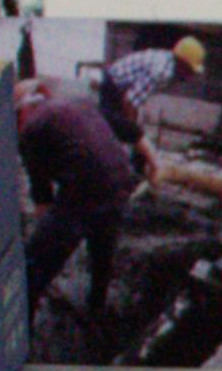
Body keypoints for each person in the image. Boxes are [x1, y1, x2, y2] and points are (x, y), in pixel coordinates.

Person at [13, 73, 139, 344]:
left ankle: (21, 331)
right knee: (102, 250)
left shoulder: (32, 128)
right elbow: (122, 133)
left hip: (88, 187)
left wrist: (45, 239)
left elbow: (42, 193)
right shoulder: (79, 103)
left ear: (21, 112)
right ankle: (97, 308)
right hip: (122, 179)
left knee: (33, 267)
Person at [92, 33, 203, 190]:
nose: (191, 77)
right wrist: (133, 133)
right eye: (191, 71)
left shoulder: (167, 61)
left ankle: (132, 173)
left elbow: (133, 98)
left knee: (131, 133)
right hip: (112, 86)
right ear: (182, 64)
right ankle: (124, 174)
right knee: (124, 132)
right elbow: (130, 101)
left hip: (119, 86)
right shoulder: (161, 72)